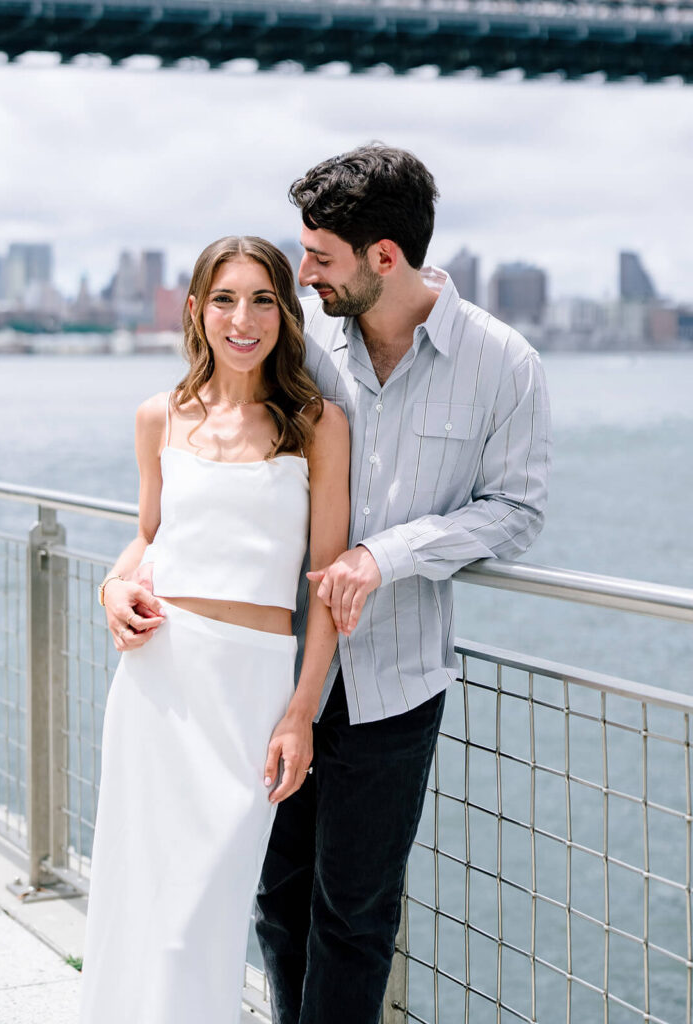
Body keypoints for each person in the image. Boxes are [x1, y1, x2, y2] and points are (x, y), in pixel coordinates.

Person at [252, 144, 552, 1024]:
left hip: (397, 684)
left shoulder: (506, 363)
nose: (303, 273)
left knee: (355, 917)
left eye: (320, 256)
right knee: (277, 899)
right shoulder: (304, 353)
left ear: (385, 257)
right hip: (287, 673)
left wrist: (389, 555)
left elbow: (518, 512)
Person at [79, 236, 350, 1024]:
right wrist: (111, 586)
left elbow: (326, 587)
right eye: (226, 299)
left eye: (263, 299)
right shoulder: (158, 416)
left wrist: (302, 710)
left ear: (285, 312)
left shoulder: (315, 424)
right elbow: (150, 538)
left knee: (207, 911)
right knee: (144, 911)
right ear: (196, 311)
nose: (244, 318)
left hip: (252, 694)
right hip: (160, 683)